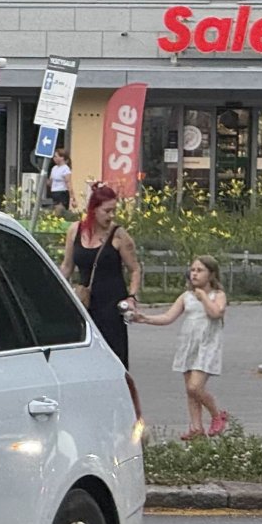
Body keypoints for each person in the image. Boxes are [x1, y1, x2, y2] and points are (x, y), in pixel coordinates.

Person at [132, 255, 230, 440]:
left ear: (211, 274)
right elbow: (168, 317)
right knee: (190, 391)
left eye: (199, 270)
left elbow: (216, 313)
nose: (194, 274)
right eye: (192, 270)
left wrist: (203, 297)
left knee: (195, 387)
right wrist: (144, 318)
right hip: (189, 345)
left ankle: (217, 415)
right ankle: (196, 427)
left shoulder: (217, 295)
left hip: (207, 346)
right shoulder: (186, 297)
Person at [61, 183, 141, 368]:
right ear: (93, 209)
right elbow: (67, 266)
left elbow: (135, 269)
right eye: (107, 211)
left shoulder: (119, 235)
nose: (112, 215)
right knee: (85, 356)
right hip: (85, 303)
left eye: (114, 210)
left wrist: (132, 297)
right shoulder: (75, 231)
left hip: (111, 305)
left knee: (113, 355)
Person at [47, 149, 73, 214]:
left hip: (62, 192)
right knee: (55, 209)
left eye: (56, 156)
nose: (54, 158)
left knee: (60, 210)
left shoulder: (65, 169)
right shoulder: (54, 168)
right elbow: (51, 182)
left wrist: (72, 197)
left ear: (62, 158)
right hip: (54, 192)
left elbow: (68, 183)